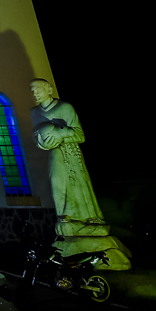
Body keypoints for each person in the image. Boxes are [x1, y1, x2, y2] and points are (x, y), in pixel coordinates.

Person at [29, 78, 105, 229]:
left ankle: (89, 217)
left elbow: (80, 135)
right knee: (57, 181)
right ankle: (64, 214)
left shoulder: (65, 107)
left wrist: (60, 132)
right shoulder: (35, 113)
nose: (34, 93)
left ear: (49, 89)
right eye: (32, 90)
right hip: (54, 152)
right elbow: (37, 136)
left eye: (38, 89)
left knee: (78, 184)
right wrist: (41, 141)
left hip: (70, 152)